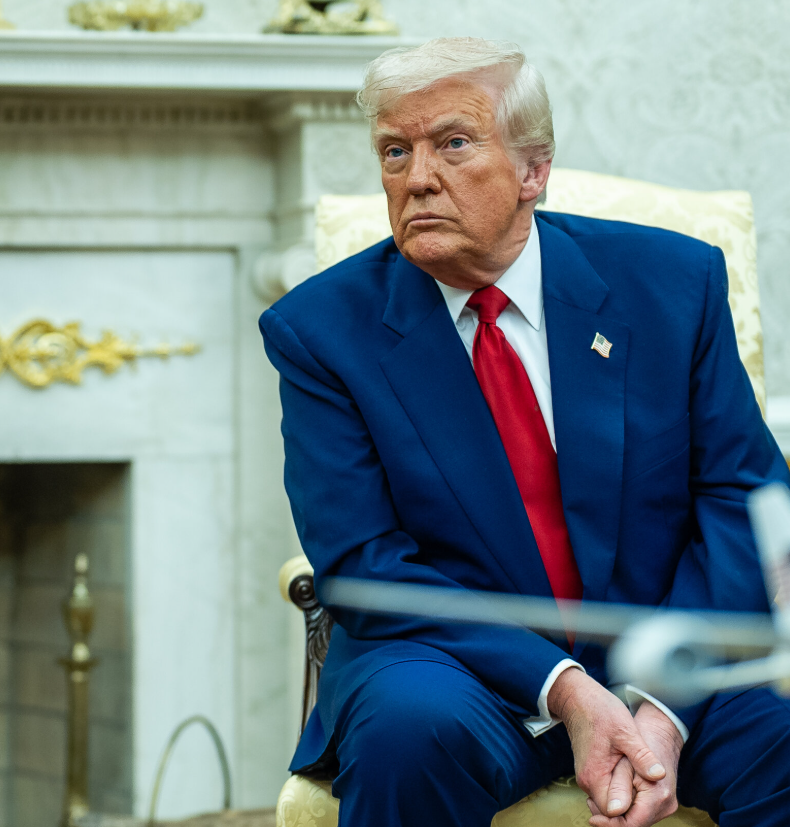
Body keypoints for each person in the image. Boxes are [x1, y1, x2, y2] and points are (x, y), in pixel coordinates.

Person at [261, 37, 790, 827]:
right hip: (457, 668)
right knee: (405, 729)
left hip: (663, 653)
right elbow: (363, 560)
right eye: (394, 152)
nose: (417, 178)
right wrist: (566, 688)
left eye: (452, 144)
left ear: (531, 171)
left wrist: (658, 708)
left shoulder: (671, 285)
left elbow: (741, 495)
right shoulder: (319, 330)